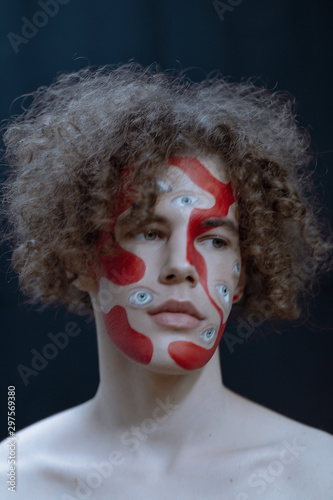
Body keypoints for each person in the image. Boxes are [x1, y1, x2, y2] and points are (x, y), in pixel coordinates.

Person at [0, 64, 332, 499]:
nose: (182, 265)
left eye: (214, 239)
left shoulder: (318, 475)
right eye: (149, 232)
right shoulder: (16, 479)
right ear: (81, 260)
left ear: (244, 271)